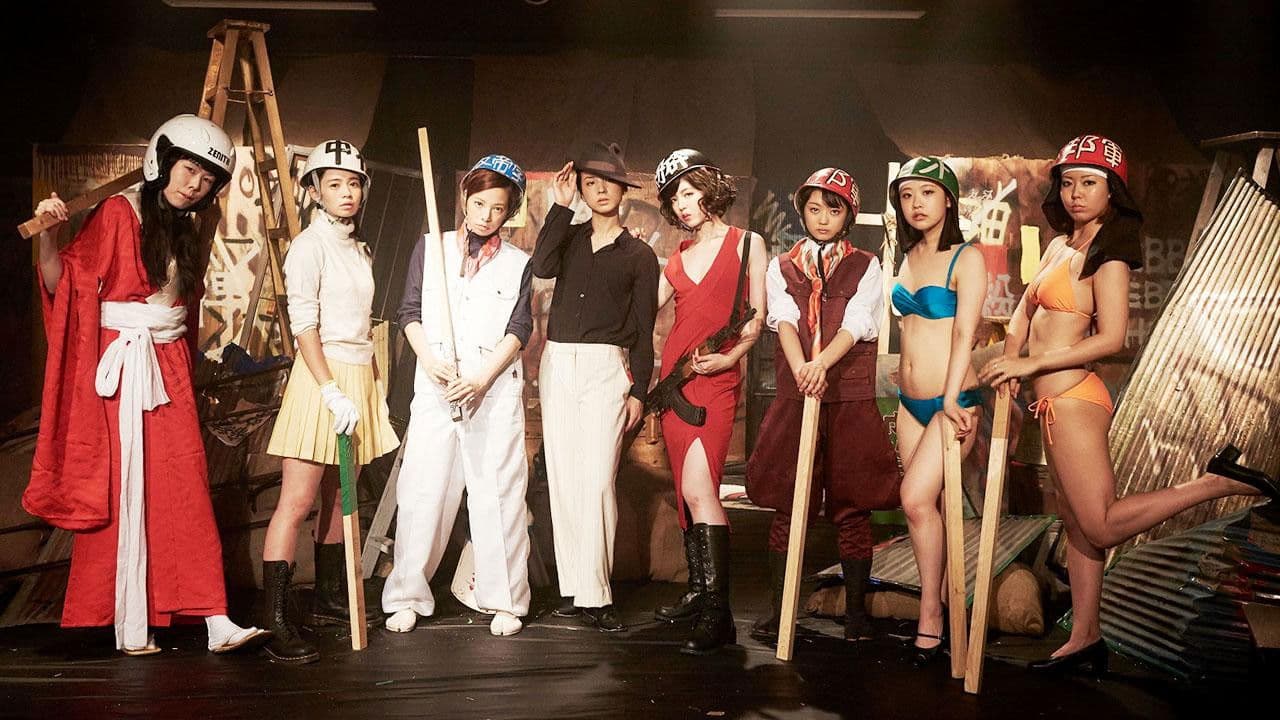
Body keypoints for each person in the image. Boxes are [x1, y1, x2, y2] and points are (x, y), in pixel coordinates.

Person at [979, 134, 1280, 675]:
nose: (1075, 193)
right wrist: (1011, 361)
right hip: (1049, 404)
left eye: (1089, 183)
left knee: (1099, 524)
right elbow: (1023, 315)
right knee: (1076, 524)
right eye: (1068, 182)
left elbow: (1112, 338)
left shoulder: (1109, 256)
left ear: (1111, 192)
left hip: (1075, 399)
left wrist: (1030, 365)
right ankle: (1085, 638)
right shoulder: (1059, 246)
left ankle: (1216, 482)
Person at [25, 114, 268, 656]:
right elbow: (65, 285)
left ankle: (213, 615)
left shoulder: (191, 225)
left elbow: (183, 308)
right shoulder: (119, 211)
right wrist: (50, 238)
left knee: (183, 484)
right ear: (163, 162)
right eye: (188, 170)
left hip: (168, 364)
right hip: (121, 367)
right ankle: (126, 619)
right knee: (118, 489)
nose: (195, 185)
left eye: (207, 179)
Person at [744, 167, 899, 645]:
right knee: (790, 504)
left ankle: (855, 615)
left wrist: (822, 365)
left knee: (852, 506)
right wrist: (801, 370)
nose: (823, 218)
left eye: (833, 209)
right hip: (798, 397)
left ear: (848, 214)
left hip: (848, 398)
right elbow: (784, 319)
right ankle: (780, 610)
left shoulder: (867, 265)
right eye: (814, 209)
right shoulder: (782, 265)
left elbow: (858, 322)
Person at [381, 154, 534, 638]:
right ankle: (407, 596)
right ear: (465, 197)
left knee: (498, 494)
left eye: (498, 208)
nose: (486, 215)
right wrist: (429, 361)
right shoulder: (432, 247)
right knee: (422, 490)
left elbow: (519, 329)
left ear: (510, 212)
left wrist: (483, 378)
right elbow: (409, 312)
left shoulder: (518, 263)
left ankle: (505, 600)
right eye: (480, 203)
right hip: (437, 386)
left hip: (492, 391)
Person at [261, 139, 400, 664]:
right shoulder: (308, 246)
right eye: (335, 183)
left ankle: (327, 599)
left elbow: (362, 326)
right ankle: (275, 620)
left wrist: (372, 388)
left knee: (342, 497)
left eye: (354, 183)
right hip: (322, 379)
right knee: (296, 501)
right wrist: (329, 389)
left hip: (358, 374)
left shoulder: (359, 249)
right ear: (315, 190)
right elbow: (304, 326)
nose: (347, 192)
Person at [533, 142, 659, 632]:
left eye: (608, 182)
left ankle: (598, 594)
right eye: (590, 182)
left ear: (623, 190)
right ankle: (576, 589)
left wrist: (639, 392)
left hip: (607, 367)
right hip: (558, 361)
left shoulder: (640, 255)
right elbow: (541, 267)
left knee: (599, 480)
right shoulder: (568, 235)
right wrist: (560, 205)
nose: (600, 190)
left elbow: (644, 329)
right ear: (581, 189)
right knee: (564, 478)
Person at [651, 149, 766, 654]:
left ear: (709, 189)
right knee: (686, 493)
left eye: (689, 192)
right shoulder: (676, 259)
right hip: (674, 383)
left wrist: (730, 357)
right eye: (674, 198)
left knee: (701, 490)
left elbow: (756, 317)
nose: (682, 204)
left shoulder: (748, 243)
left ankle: (720, 616)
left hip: (716, 381)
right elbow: (639, 309)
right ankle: (700, 593)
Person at [883, 157, 987, 666]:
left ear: (948, 198)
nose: (916, 204)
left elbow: (965, 332)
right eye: (906, 195)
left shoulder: (967, 258)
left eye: (926, 192)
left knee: (914, 499)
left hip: (953, 401)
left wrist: (948, 395)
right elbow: (911, 331)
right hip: (909, 403)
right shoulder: (905, 256)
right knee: (927, 509)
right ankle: (940, 602)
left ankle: (932, 613)